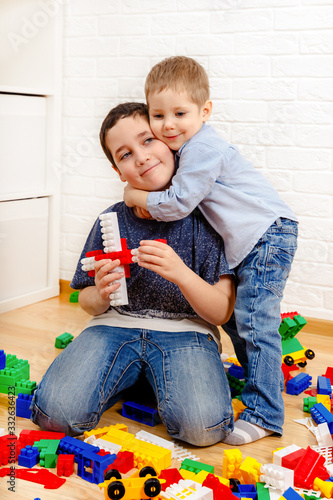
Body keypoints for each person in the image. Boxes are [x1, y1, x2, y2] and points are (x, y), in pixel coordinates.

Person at [30, 102, 236, 447]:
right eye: (125, 154)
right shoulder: (110, 220)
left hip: (186, 330)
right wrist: (101, 292)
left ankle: (144, 377)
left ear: (171, 143)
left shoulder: (207, 220)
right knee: (55, 414)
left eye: (148, 141)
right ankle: (138, 376)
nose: (141, 157)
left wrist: (181, 274)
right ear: (118, 172)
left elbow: (221, 312)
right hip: (114, 325)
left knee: (204, 427)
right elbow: (86, 302)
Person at [123, 56, 299, 445]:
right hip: (254, 241)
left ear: (205, 111)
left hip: (268, 236)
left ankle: (266, 413)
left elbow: (179, 203)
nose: (168, 124)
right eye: (158, 114)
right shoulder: (189, 148)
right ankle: (260, 382)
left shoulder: (203, 148)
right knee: (239, 321)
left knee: (255, 323)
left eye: (180, 113)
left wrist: (136, 195)